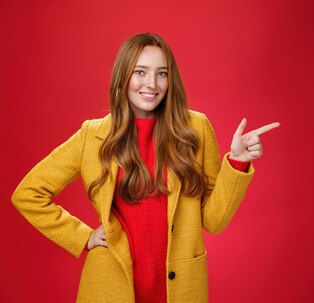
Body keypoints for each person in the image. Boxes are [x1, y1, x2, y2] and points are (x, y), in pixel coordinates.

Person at [11, 33, 279, 302]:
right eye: (140, 72)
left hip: (181, 289)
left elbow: (214, 220)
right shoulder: (92, 135)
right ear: (123, 76)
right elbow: (27, 194)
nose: (152, 83)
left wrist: (237, 161)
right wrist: (82, 237)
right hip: (109, 289)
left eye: (161, 73)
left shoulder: (195, 129)